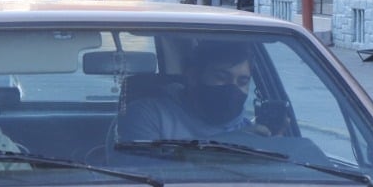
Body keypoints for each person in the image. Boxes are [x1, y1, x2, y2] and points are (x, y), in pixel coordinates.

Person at [116, 40, 277, 142]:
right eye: (221, 77)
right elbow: (149, 176)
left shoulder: (248, 131)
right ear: (193, 76)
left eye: (242, 81)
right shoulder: (148, 115)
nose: (232, 87)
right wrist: (234, 144)